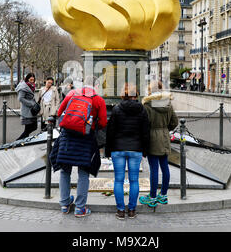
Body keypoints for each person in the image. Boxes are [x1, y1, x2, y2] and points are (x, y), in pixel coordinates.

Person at [51, 76, 107, 218]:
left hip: (67, 138)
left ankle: (64, 204)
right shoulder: (98, 100)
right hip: (85, 139)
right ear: (96, 85)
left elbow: (59, 113)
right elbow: (103, 123)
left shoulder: (71, 94)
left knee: (65, 170)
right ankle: (80, 208)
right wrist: (90, 126)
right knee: (83, 173)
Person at [105, 83, 150, 220]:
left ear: (123, 94)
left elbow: (110, 131)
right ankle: (131, 209)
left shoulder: (117, 109)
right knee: (134, 180)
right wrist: (145, 150)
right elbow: (145, 132)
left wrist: (108, 150)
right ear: (135, 94)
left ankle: (120, 210)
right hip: (135, 149)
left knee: (118, 180)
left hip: (118, 148)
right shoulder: (142, 109)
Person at [139, 80, 178, 207]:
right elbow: (175, 122)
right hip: (165, 136)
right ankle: (164, 195)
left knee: (154, 169)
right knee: (165, 166)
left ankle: (152, 196)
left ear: (150, 90)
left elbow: (144, 124)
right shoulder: (168, 104)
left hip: (152, 138)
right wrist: (166, 129)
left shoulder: (147, 105)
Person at [15, 73, 39, 141]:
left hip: (32, 110)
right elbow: (20, 98)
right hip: (27, 111)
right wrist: (31, 103)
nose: (32, 81)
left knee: (34, 127)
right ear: (27, 79)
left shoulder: (32, 86)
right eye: (31, 79)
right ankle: (19, 141)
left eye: (33, 80)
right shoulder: (23, 87)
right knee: (28, 129)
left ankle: (22, 141)